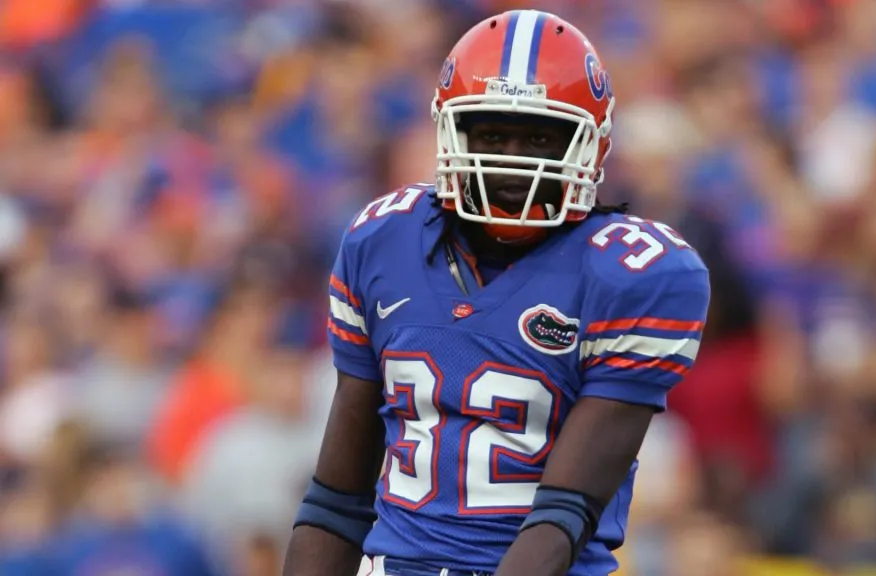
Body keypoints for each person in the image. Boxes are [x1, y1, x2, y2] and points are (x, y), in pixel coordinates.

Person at [283, 10, 711, 576]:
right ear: (450, 133)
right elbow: (338, 499)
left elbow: (563, 514)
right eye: (491, 134)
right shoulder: (383, 240)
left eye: (537, 136)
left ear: (590, 143)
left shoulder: (635, 274)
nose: (511, 158)